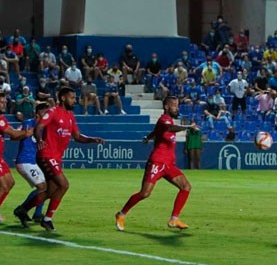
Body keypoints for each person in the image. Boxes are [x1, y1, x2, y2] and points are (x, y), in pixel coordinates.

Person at [13, 87, 105, 231]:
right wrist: (39, 140)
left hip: (56, 157)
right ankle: (47, 219)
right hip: (46, 154)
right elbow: (39, 126)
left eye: (74, 98)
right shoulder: (53, 112)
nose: (74, 100)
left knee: (50, 191)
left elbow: (77, 136)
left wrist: (92, 139)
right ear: (63, 98)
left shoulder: (70, 116)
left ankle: (22, 209)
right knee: (64, 185)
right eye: (72, 97)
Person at [115, 97, 194, 231]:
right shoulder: (164, 120)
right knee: (145, 193)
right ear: (167, 107)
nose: (177, 108)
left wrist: (148, 137)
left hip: (169, 164)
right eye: (174, 105)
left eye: (177, 105)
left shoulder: (166, 122)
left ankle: (174, 219)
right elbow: (170, 128)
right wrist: (187, 127)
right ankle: (121, 214)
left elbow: (156, 132)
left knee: (186, 186)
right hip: (157, 162)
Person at [0, 92, 33, 224]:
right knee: (3, 186)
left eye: (5, 102)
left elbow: (14, 136)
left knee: (10, 182)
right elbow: (13, 133)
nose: (4, 104)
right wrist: (26, 133)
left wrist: (23, 134)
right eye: (1, 102)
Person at [14, 103, 50, 224]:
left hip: (34, 162)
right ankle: (22, 209)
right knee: (42, 187)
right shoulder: (28, 123)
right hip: (25, 161)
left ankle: (37, 214)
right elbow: (13, 136)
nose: (46, 116)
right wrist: (25, 134)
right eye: (44, 113)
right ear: (36, 114)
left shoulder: (45, 127)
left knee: (47, 187)